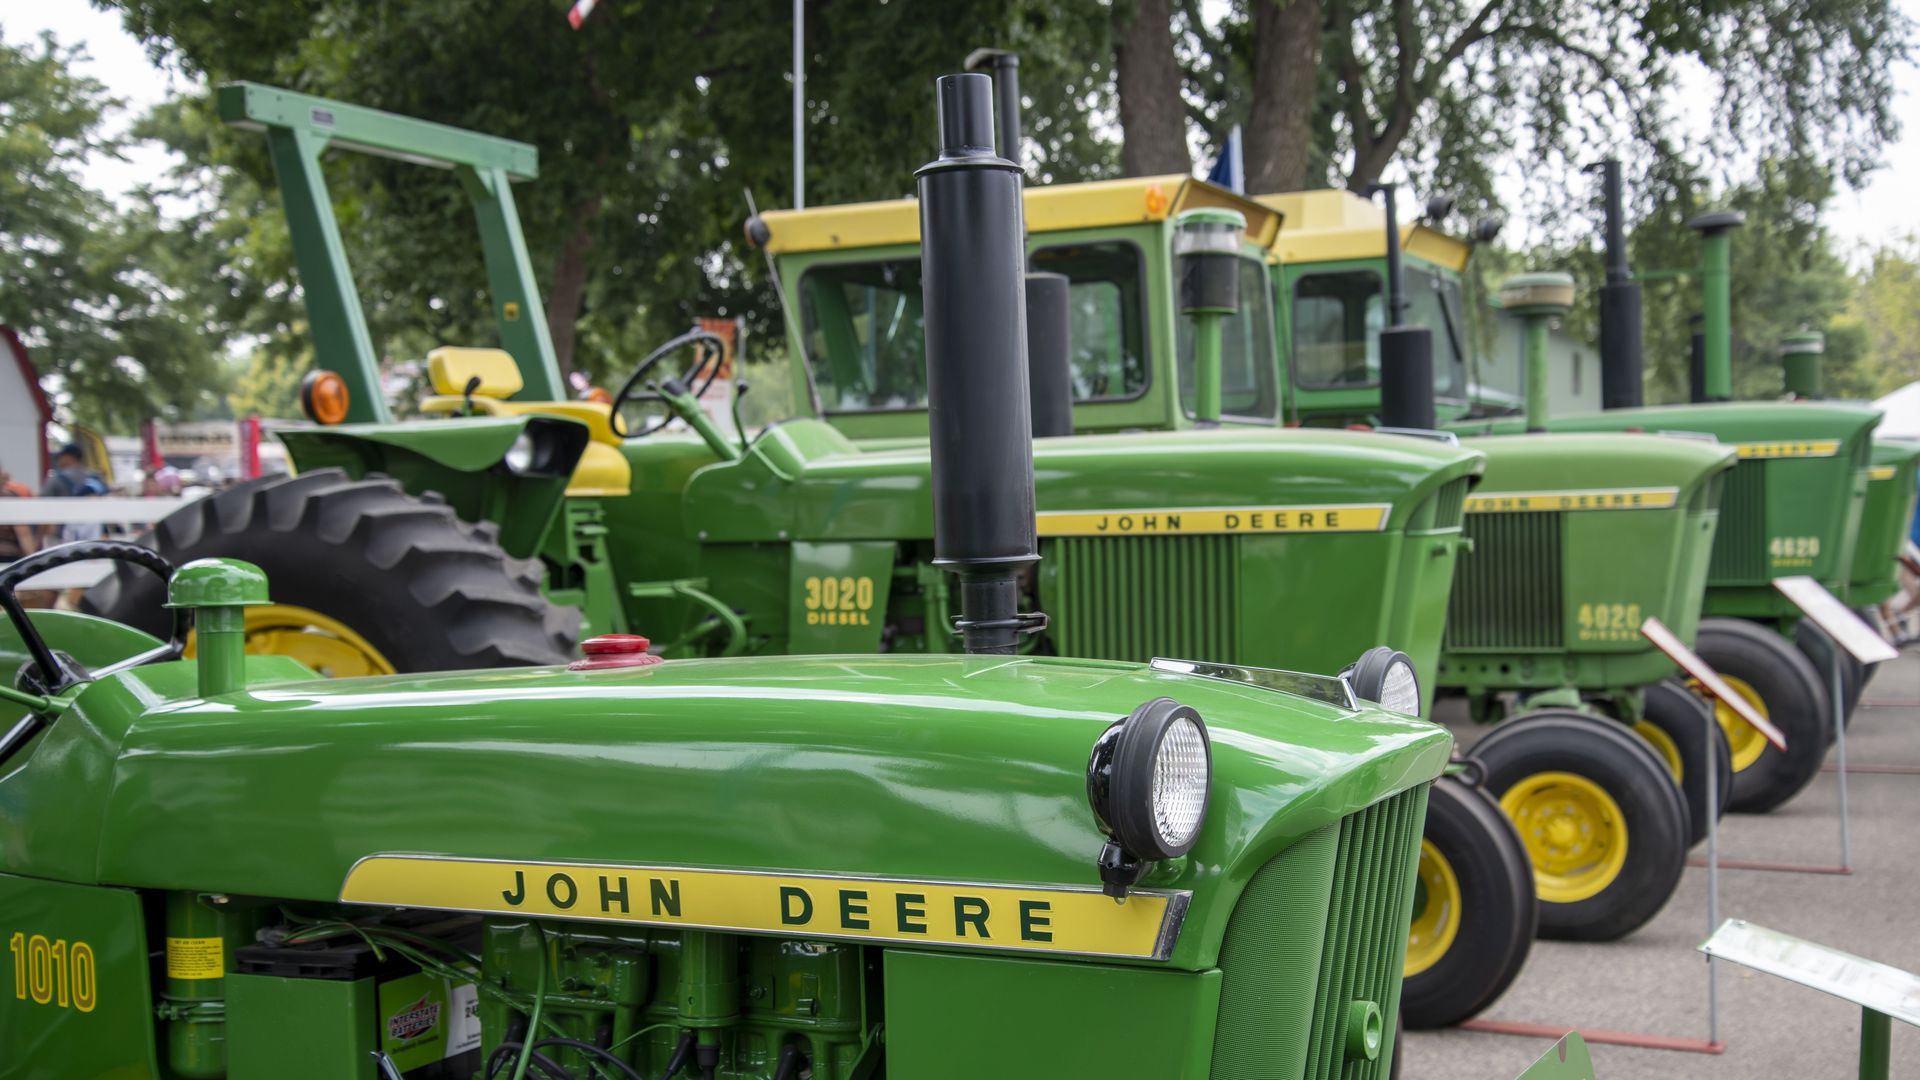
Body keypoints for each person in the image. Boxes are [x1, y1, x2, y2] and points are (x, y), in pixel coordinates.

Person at [40, 443, 107, 545]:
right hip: (93, 535)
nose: (58, 460)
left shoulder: (56, 479)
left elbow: (44, 506)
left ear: (69, 457)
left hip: (62, 536)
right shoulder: (95, 478)